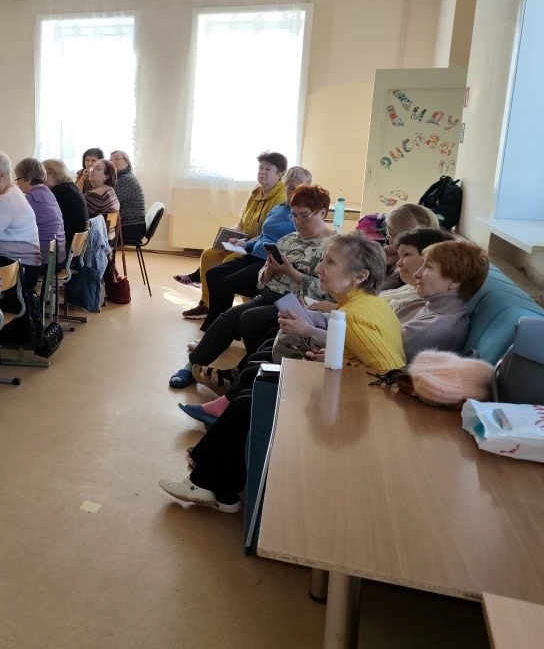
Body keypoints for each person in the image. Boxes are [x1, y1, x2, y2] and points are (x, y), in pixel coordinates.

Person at [160, 234, 405, 512]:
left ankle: (210, 485)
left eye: (330, 263)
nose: (318, 268)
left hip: (353, 409)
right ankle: (218, 484)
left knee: (247, 403)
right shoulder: (365, 305)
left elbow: (392, 373)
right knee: (255, 381)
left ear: (360, 276)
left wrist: (345, 363)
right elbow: (366, 357)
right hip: (347, 394)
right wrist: (340, 357)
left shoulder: (356, 316)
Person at [168, 184, 334, 389]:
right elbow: (260, 280)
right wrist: (270, 270)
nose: (298, 222)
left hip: (300, 306)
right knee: (227, 318)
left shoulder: (333, 246)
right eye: (294, 215)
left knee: (250, 319)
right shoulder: (288, 239)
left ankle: (245, 378)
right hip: (269, 297)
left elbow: (331, 291)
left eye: (304, 216)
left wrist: (292, 273)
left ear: (322, 212)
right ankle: (191, 366)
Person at [177, 152, 288, 318]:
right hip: (242, 240)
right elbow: (242, 222)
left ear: (280, 174)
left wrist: (241, 244)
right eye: (260, 168)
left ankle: (229, 311)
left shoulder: (281, 197)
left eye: (268, 169)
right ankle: (206, 304)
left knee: (229, 261)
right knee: (208, 254)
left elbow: (266, 233)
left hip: (256, 247)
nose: (262, 172)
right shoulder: (257, 191)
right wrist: (229, 238)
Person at [200, 166, 310, 328]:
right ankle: (218, 326)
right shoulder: (278, 209)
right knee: (214, 274)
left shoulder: (302, 215)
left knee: (226, 283)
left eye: (300, 189)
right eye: (291, 187)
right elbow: (263, 235)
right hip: (253, 255)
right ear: (285, 186)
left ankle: (216, 327)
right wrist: (245, 244)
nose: (294, 193)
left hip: (269, 262)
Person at [0, 150, 40, 271]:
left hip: (19, 268)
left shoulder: (7, 200)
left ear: (1, 175)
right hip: (20, 263)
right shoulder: (11, 193)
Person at [14, 157, 66, 265]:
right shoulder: (47, 192)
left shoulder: (31, 198)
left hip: (46, 260)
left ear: (27, 179)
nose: (17, 183)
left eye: (18, 179)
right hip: (58, 256)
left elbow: (16, 226)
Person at [43, 158, 89, 253]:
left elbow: (47, 219)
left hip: (66, 245)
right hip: (75, 245)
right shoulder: (71, 187)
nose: (42, 179)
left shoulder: (59, 191)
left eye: (43, 174)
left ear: (52, 173)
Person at [109, 150, 146, 243]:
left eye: (117, 159)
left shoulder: (126, 179)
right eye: (111, 160)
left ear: (126, 161)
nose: (113, 162)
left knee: (94, 232)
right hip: (131, 226)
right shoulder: (122, 177)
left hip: (131, 228)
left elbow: (109, 202)